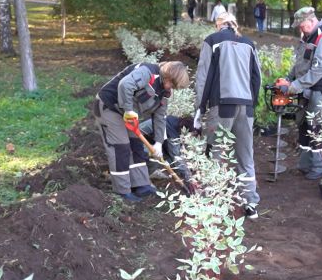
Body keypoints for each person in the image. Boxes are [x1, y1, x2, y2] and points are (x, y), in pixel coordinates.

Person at [194, 12, 262, 219]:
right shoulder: (248, 43)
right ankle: (251, 204)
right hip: (246, 106)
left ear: (218, 25)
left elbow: (203, 77)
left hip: (222, 105)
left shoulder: (212, 41)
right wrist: (252, 105)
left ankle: (215, 204)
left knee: (217, 154)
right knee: (245, 156)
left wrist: (199, 109)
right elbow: (256, 77)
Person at [95, 61, 190, 201]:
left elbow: (160, 117)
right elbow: (125, 85)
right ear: (168, 75)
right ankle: (123, 190)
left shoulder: (165, 92)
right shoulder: (148, 72)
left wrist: (158, 142)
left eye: (174, 86)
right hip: (109, 106)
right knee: (120, 147)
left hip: (128, 114)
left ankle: (141, 184)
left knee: (136, 145)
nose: (170, 87)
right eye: (171, 83)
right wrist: (128, 110)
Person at [281, 6, 322, 180]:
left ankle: (319, 167)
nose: (300, 28)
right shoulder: (308, 35)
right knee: (303, 125)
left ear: (311, 20)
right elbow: (300, 62)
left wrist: (295, 86)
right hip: (307, 88)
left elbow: (319, 69)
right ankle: (305, 164)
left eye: (301, 25)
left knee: (316, 127)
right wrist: (288, 79)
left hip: (321, 89)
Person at [138, 115, 192, 181]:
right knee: (157, 155)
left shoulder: (174, 120)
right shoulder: (172, 131)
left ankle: (148, 171)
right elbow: (176, 156)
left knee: (166, 155)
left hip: (146, 139)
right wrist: (188, 176)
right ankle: (143, 177)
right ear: (185, 129)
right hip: (136, 141)